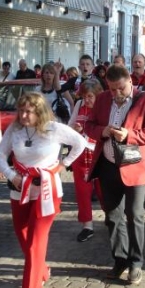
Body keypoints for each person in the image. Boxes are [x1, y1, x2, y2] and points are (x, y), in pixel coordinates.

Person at [85, 64, 145, 285]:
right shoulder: (102, 100)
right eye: (112, 89)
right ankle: (120, 260)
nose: (117, 93)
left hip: (134, 166)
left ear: (130, 81)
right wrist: (103, 131)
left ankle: (136, 263)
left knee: (135, 215)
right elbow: (89, 125)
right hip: (108, 165)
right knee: (113, 216)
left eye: (120, 88)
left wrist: (129, 135)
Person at [0, 92, 86, 288]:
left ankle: (31, 284)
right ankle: (41, 268)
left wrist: (63, 164)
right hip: (20, 188)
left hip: (47, 190)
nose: (22, 116)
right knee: (22, 233)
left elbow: (80, 143)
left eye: (28, 112)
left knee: (35, 242)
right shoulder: (14, 129)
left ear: (40, 112)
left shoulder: (54, 128)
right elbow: (1, 153)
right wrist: (12, 175)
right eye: (20, 111)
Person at [68, 79, 104, 242]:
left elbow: (105, 131)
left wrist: (88, 133)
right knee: (83, 192)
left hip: (99, 155)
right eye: (84, 96)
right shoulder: (79, 105)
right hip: (81, 155)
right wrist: (75, 129)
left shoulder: (103, 108)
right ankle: (87, 226)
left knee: (104, 191)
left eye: (90, 96)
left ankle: (111, 216)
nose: (86, 100)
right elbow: (70, 124)